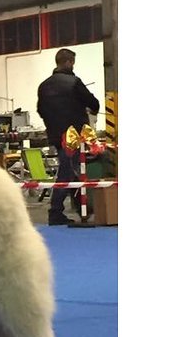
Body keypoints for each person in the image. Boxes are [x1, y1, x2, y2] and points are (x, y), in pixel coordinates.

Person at [37, 48, 100, 225]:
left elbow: (41, 110)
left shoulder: (44, 85)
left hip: (56, 135)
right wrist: (89, 110)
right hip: (74, 136)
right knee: (67, 172)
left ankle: (83, 210)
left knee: (73, 172)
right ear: (69, 62)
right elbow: (93, 103)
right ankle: (55, 211)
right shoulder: (74, 82)